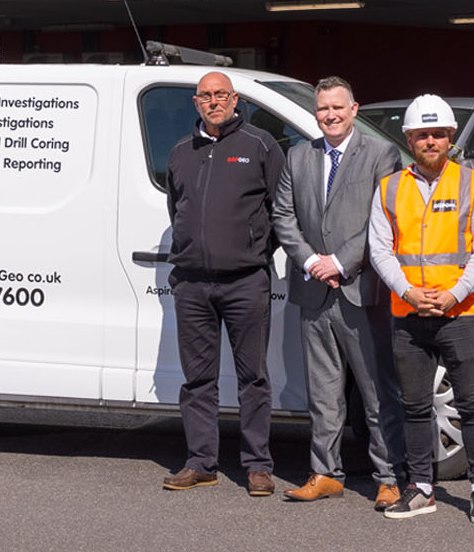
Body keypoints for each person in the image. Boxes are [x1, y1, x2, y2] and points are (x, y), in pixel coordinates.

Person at [272, 77, 405, 509]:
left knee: (376, 391)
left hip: (360, 290)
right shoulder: (298, 156)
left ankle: (389, 476)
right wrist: (311, 261)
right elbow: (284, 216)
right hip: (314, 290)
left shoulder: (380, 154)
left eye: (337, 107)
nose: (329, 115)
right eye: (322, 109)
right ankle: (325, 472)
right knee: (322, 392)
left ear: (354, 109)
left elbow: (383, 218)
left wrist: (341, 261)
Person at [369, 94, 474, 526]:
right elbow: (380, 250)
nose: (430, 141)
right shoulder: (390, 188)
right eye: (422, 134)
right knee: (414, 406)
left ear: (450, 138)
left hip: (460, 314)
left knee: (472, 404)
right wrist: (408, 292)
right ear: (409, 138)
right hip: (409, 315)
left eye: (438, 134)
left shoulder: (473, 184)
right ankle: (421, 487)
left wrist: (454, 293)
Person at [162, 71, 284, 495]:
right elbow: (176, 208)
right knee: (198, 380)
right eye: (206, 96)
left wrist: (256, 253)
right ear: (196, 103)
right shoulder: (180, 151)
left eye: (221, 95)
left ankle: (257, 466)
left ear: (235, 100)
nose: (214, 102)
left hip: (244, 282)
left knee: (253, 378)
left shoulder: (260, 146)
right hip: (193, 284)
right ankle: (201, 462)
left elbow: (278, 210)